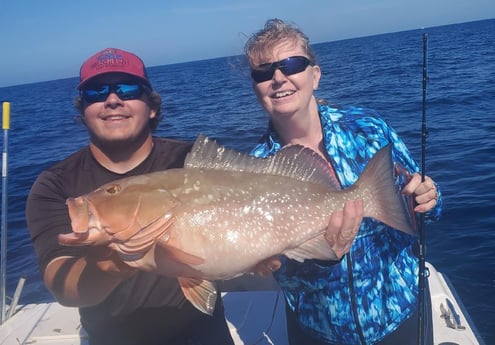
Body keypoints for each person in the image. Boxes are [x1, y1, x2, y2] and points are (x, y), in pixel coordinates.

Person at [244, 19, 443, 345]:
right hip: (317, 332)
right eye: (263, 72)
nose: (278, 78)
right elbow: (280, 276)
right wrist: (321, 262)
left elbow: (425, 201)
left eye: (291, 64)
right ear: (256, 87)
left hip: (398, 317)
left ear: (315, 75)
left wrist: (428, 198)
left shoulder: (368, 129)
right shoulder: (256, 171)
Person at [25, 48, 236, 345]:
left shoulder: (191, 161)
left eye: (128, 88)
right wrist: (114, 264)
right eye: (97, 91)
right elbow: (62, 284)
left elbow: (234, 233)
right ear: (83, 110)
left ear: (151, 106)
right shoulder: (56, 186)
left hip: (205, 334)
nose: (113, 100)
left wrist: (255, 253)